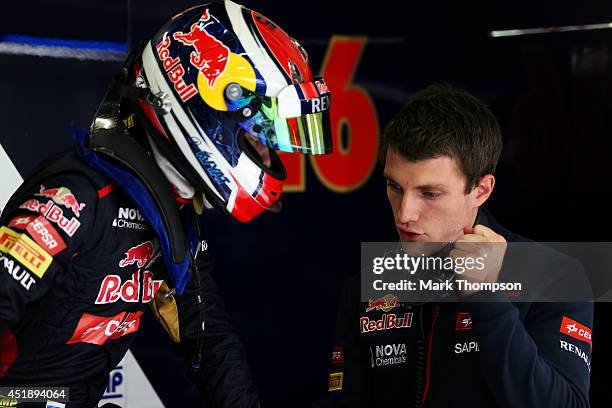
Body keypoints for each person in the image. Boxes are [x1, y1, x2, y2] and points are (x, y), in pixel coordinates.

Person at [0, 1, 332, 407]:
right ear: (205, 107)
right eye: (257, 134)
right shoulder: (80, 195)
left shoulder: (169, 210)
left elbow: (210, 341)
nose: (266, 156)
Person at [321, 84, 592, 407]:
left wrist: (486, 297)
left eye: (430, 194)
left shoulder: (555, 276)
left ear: (481, 190)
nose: (404, 213)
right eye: (395, 186)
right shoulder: (366, 285)